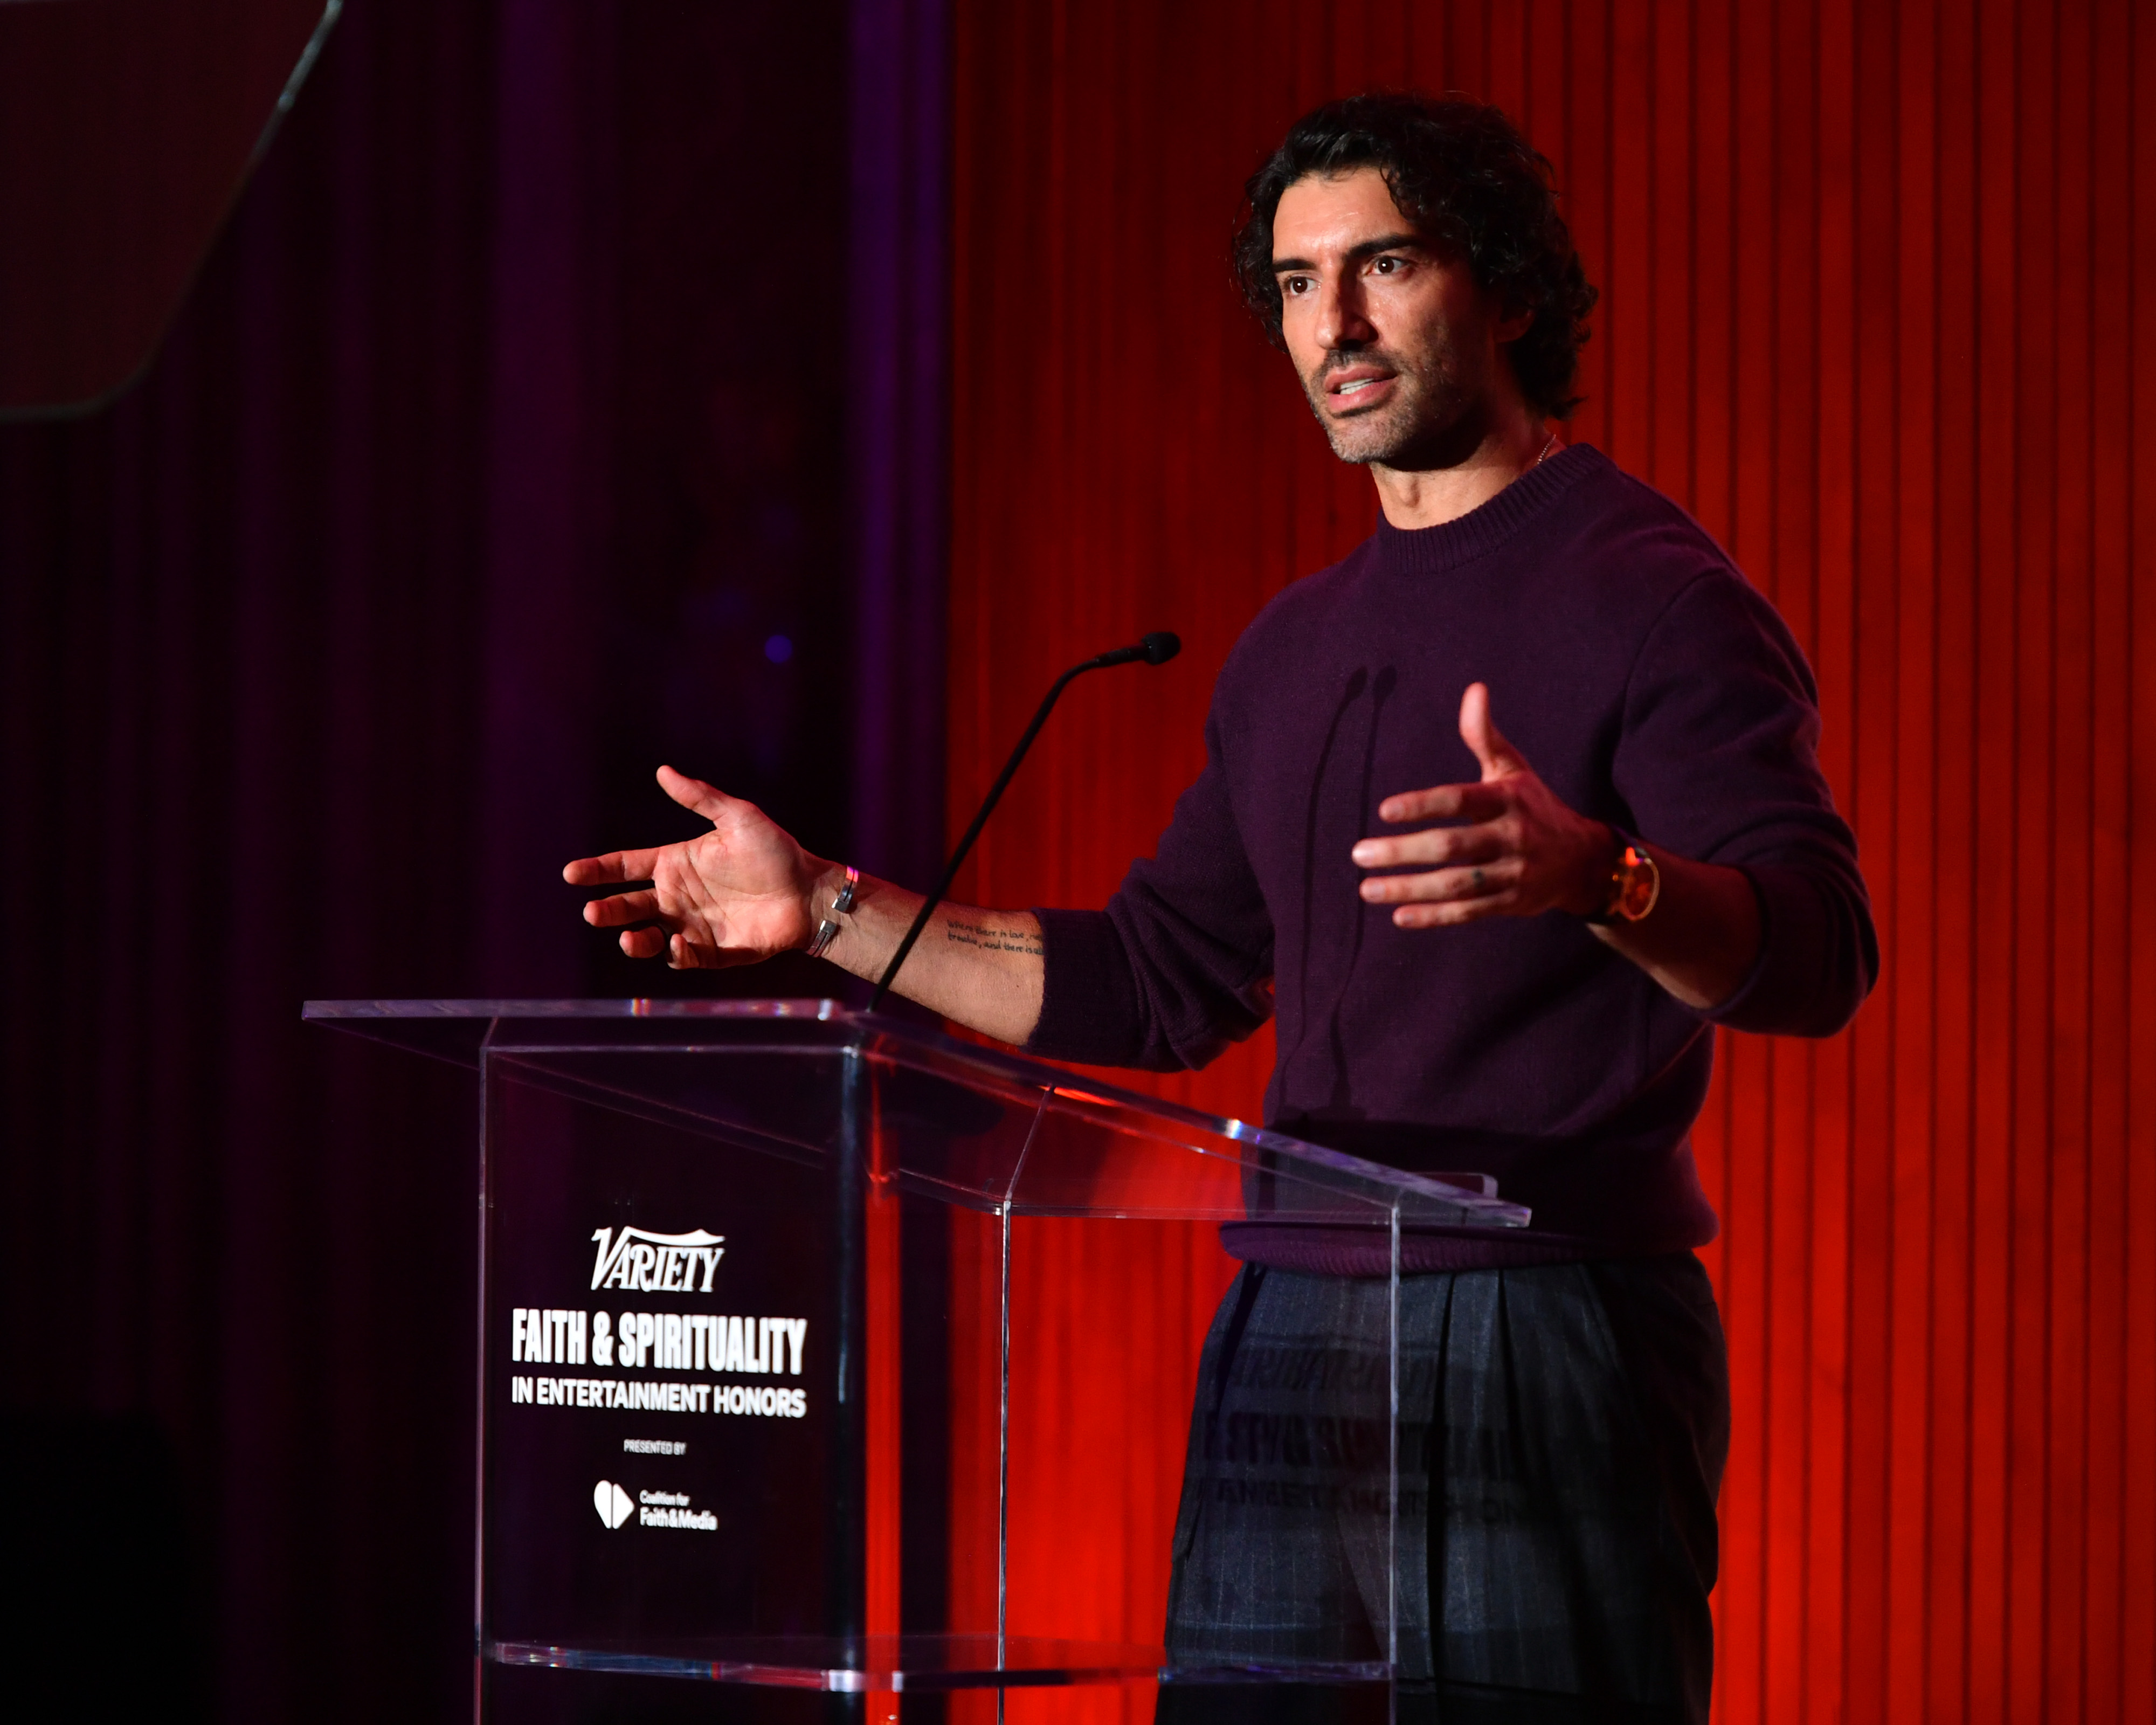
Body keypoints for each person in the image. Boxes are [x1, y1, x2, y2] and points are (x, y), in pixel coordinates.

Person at [566, 92, 1875, 1725]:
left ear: (1513, 288)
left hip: (1546, 1318)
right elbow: (1157, 983)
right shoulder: (1291, 650)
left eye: (1382, 264)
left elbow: (1820, 955)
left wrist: (1599, 877)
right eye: (1296, 283)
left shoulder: (1658, 598)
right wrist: (827, 909)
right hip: (1291, 1325)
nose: (1331, 324)